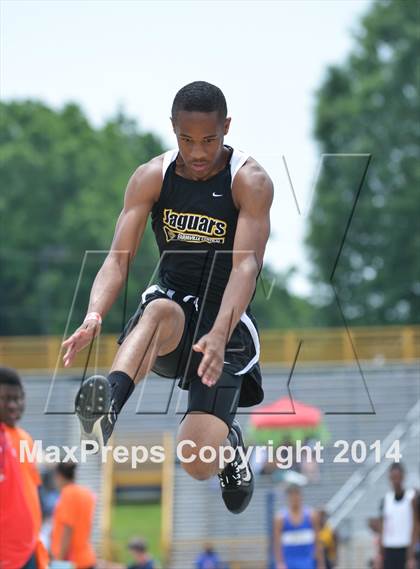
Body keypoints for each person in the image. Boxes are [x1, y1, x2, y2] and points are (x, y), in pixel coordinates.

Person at [62, 81, 273, 514]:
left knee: (196, 461)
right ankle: (107, 408)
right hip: (173, 308)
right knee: (157, 308)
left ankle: (230, 446)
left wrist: (218, 333)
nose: (197, 153)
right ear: (173, 129)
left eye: (210, 141)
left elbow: (246, 267)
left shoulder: (249, 181)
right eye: (187, 140)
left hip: (224, 319)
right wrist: (94, 314)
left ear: (227, 127)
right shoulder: (151, 177)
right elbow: (117, 259)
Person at [0, 366, 49, 569]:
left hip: (29, 550)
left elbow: (33, 491)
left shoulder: (24, 438)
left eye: (18, 398)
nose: (14, 405)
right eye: (6, 398)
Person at [50, 462, 96, 569]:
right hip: (86, 557)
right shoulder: (86, 493)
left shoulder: (68, 494)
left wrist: (59, 562)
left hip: (71, 561)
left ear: (58, 476)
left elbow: (68, 528)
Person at [273, 484, 325, 569]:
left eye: (297, 494)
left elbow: (318, 541)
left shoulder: (311, 516)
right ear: (288, 497)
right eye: (292, 495)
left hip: (307, 563)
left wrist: (321, 564)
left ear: (301, 496)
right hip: (288, 563)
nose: (295, 498)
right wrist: (280, 563)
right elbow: (277, 543)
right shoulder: (280, 518)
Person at [379, 462, 417, 569]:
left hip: (405, 550)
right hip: (389, 550)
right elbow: (383, 528)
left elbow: (415, 527)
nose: (395, 481)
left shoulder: (411, 498)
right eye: (393, 477)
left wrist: (411, 556)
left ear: (403, 477)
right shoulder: (386, 499)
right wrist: (380, 554)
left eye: (398, 477)